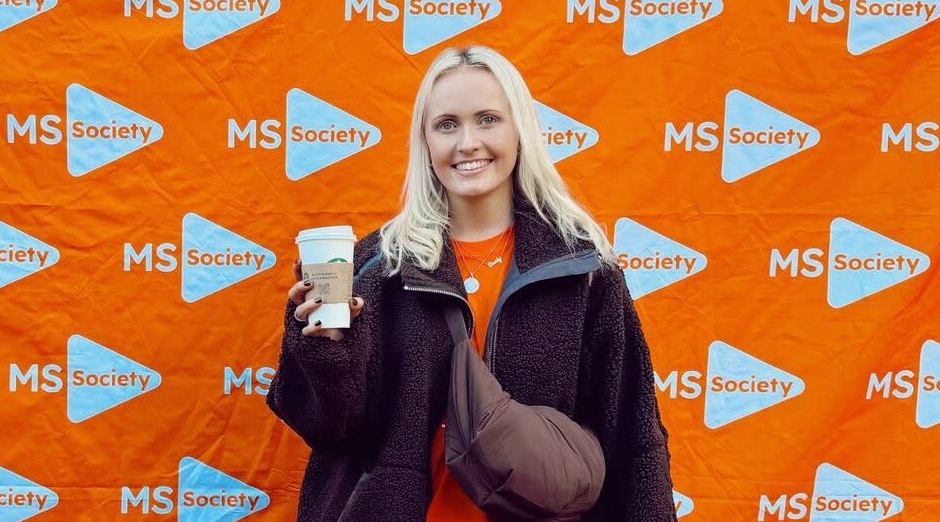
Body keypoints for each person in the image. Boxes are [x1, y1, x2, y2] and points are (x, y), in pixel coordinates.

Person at [265, 45, 677, 521]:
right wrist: (324, 349)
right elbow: (329, 429)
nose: (467, 143)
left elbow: (633, 432)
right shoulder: (379, 266)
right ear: (426, 142)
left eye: (487, 119)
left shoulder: (583, 269)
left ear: (520, 130)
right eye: (447, 125)